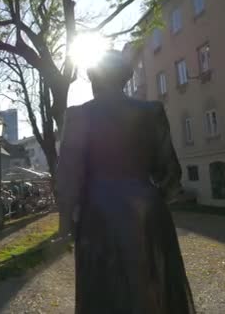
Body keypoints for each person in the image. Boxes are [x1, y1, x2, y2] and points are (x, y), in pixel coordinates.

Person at [57, 50, 195, 314]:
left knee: (104, 293)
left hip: (98, 213)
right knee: (152, 288)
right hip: (147, 210)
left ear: (93, 78)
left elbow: (68, 176)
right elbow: (170, 172)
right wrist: (154, 198)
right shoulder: (152, 111)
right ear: (125, 77)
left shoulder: (78, 116)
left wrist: (67, 222)